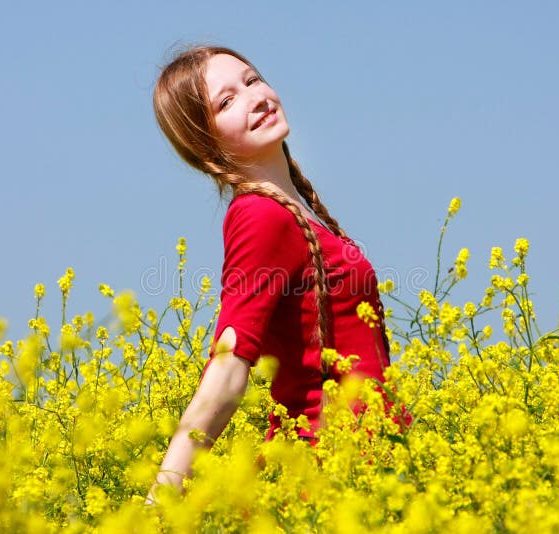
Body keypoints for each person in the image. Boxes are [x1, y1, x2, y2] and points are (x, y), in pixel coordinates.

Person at [145, 45, 390, 501]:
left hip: (364, 471)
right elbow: (231, 358)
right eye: (226, 101)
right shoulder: (260, 215)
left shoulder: (297, 211)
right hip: (329, 482)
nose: (254, 97)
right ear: (204, 141)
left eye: (253, 80)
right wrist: (164, 494)